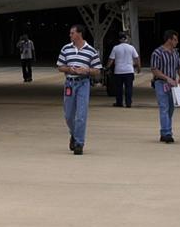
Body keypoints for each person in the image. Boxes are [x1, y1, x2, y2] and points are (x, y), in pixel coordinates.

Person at [56, 24, 101, 155]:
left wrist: (86, 70)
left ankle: (79, 143)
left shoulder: (91, 51)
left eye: (72, 33)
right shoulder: (66, 49)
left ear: (79, 34)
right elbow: (60, 66)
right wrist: (69, 69)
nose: (70, 35)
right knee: (69, 115)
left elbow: (97, 70)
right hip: (70, 83)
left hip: (83, 83)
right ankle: (74, 134)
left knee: (81, 115)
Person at [149, 30, 180, 144]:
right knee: (164, 107)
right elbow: (154, 69)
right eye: (175, 39)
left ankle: (164, 131)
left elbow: (179, 65)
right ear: (169, 40)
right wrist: (166, 78)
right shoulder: (157, 53)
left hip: (172, 84)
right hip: (161, 83)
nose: (177, 42)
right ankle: (167, 133)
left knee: (171, 108)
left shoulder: (175, 53)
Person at [105, 32, 140, 107]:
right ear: (126, 39)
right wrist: (139, 67)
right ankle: (128, 103)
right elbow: (137, 58)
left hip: (118, 71)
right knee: (129, 88)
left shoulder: (115, 48)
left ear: (119, 39)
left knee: (119, 88)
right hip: (129, 71)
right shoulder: (131, 48)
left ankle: (119, 102)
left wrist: (107, 67)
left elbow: (111, 59)